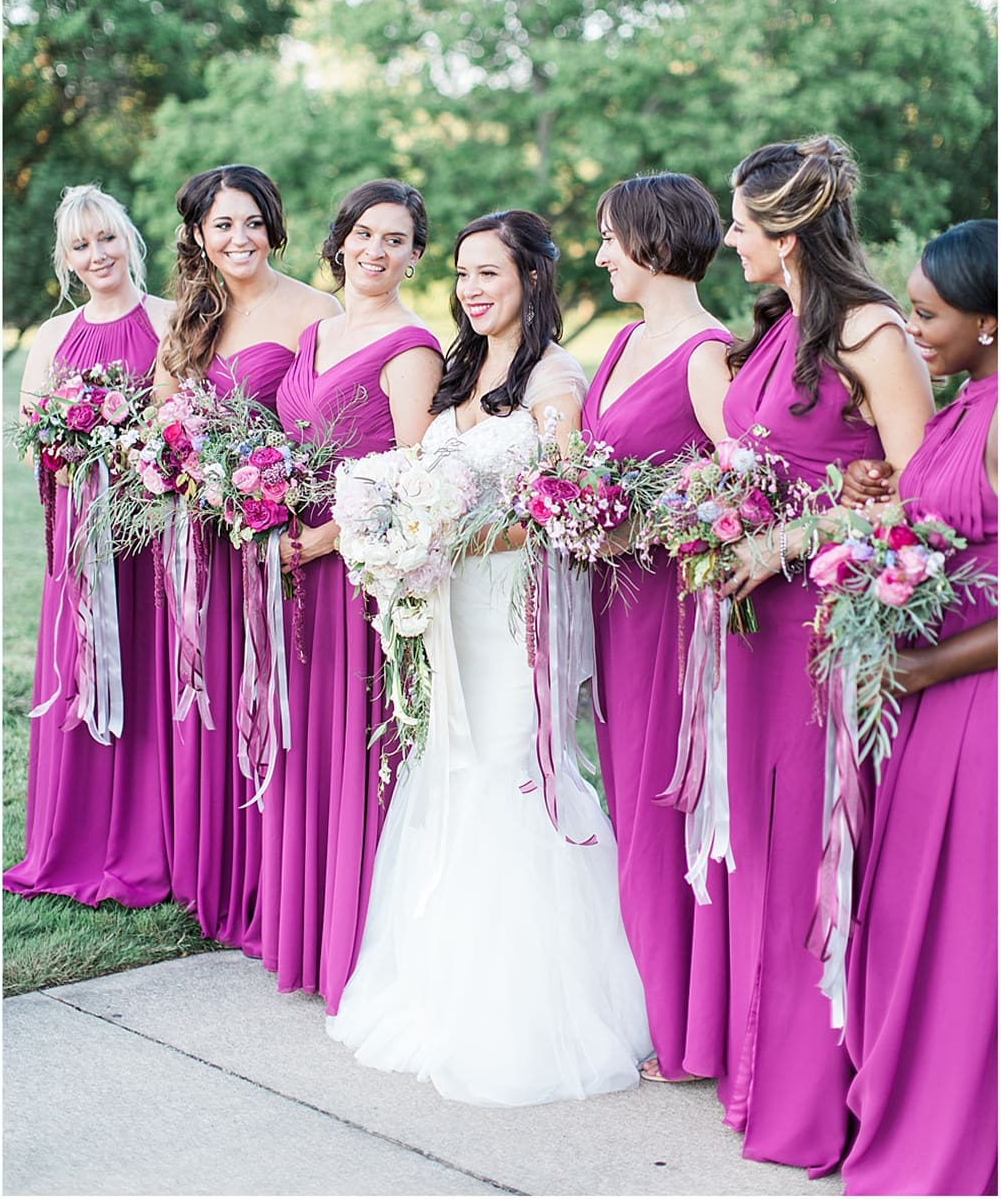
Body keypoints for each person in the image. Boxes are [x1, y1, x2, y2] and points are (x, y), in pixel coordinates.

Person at [327, 210, 650, 1106]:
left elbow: (562, 505)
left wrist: (452, 535)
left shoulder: (554, 376)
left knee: (508, 770)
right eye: (464, 274)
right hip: (447, 610)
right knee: (448, 764)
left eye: (490, 275)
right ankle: (435, 985)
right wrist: (400, 528)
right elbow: (420, 474)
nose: (472, 290)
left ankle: (524, 1013)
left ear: (531, 281)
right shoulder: (460, 369)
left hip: (513, 612)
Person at [710, 136, 932, 1174]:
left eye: (741, 226)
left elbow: (921, 493)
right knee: (760, 844)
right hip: (753, 625)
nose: (726, 239)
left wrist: (787, 539)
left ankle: (816, 1105)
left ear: (788, 233)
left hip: (823, 625)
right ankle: (764, 1081)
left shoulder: (871, 330)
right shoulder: (775, 328)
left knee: (811, 854)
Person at [837, 219, 997, 1196]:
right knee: (911, 917)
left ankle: (960, 1133)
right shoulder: (963, 403)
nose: (910, 328)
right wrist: (878, 501)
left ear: (990, 320)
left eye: (928, 313)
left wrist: (923, 670)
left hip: (975, 702)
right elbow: (942, 517)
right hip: (930, 700)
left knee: (966, 929)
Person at [256, 180, 439, 1001]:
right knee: (304, 738)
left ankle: (354, 939)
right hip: (290, 561)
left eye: (395, 240)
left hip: (354, 573)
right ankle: (303, 927)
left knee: (352, 739)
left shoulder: (411, 347)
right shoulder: (317, 332)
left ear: (414, 256)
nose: (376, 250)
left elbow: (412, 469)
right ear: (341, 241)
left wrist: (325, 538)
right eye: (366, 234)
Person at [152, 164, 337, 949]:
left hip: (275, 541)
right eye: (222, 225)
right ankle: (211, 874)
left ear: (274, 226)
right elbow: (164, 412)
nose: (240, 239)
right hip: (201, 541)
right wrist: (184, 464)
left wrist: (266, 492)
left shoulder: (315, 311)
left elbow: (327, 421)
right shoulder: (192, 314)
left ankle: (271, 878)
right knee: (213, 695)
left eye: (252, 222)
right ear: (198, 234)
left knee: (270, 698)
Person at [582, 173, 734, 1085]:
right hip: (612, 604)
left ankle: (689, 1030)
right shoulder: (623, 342)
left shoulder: (707, 353)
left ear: (652, 240)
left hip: (673, 615)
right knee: (628, 796)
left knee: (661, 805)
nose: (599, 254)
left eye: (609, 238)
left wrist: (639, 526)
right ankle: (656, 1005)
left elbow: (740, 488)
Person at [4, 185, 176, 906]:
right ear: (66, 259)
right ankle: (72, 839)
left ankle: (148, 841)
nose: (97, 254)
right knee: (82, 669)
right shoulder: (53, 336)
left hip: (151, 532)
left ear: (129, 239)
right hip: (79, 541)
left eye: (106, 238)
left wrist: (137, 452)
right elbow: (30, 436)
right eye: (81, 245)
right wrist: (74, 445)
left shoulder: (170, 321)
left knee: (147, 670)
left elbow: (184, 423)